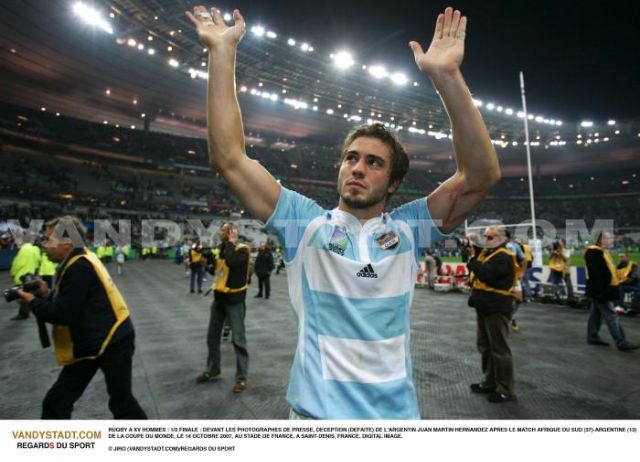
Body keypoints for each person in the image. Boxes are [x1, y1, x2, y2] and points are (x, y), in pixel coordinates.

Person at [187, 5, 500, 418]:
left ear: (393, 183)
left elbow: (480, 176)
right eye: (351, 158)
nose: (357, 168)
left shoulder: (411, 229)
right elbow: (228, 157)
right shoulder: (304, 224)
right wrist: (221, 52)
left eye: (374, 162)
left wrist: (446, 78)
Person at [17, 216, 147, 419]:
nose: (44, 245)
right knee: (59, 402)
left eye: (48, 239)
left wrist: (33, 302)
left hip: (110, 340)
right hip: (97, 339)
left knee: (120, 403)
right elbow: (76, 301)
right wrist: (48, 294)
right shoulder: (81, 258)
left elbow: (63, 314)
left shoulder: (78, 266)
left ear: (67, 242)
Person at [196, 222, 251, 393]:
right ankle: (213, 369)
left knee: (238, 340)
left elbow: (232, 262)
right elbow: (218, 271)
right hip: (219, 299)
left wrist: (231, 242)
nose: (219, 232)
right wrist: (208, 262)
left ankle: (241, 378)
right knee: (212, 336)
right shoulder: (222, 248)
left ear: (231, 232)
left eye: (223, 230)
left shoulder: (242, 249)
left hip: (235, 301)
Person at [466, 226, 518, 403]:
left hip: (496, 307)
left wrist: (472, 261)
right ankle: (489, 382)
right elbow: (478, 257)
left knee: (499, 349)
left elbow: (486, 274)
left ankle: (505, 390)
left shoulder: (503, 256)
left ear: (502, 240)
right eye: (486, 237)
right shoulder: (492, 253)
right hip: (485, 306)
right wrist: (472, 242)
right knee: (485, 346)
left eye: (490, 237)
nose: (486, 240)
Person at [584, 232, 637, 351]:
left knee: (596, 314)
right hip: (601, 290)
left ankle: (592, 337)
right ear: (601, 240)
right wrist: (601, 291)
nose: (611, 240)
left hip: (599, 289)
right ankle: (621, 342)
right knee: (611, 315)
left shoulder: (600, 251)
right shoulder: (594, 251)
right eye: (609, 238)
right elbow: (596, 273)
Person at [9, 238, 41, 320]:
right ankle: (26, 311)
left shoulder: (23, 249)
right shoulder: (36, 249)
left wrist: (12, 273)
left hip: (20, 276)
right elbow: (38, 261)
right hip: (30, 276)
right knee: (27, 294)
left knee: (19, 296)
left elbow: (16, 264)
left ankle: (24, 313)